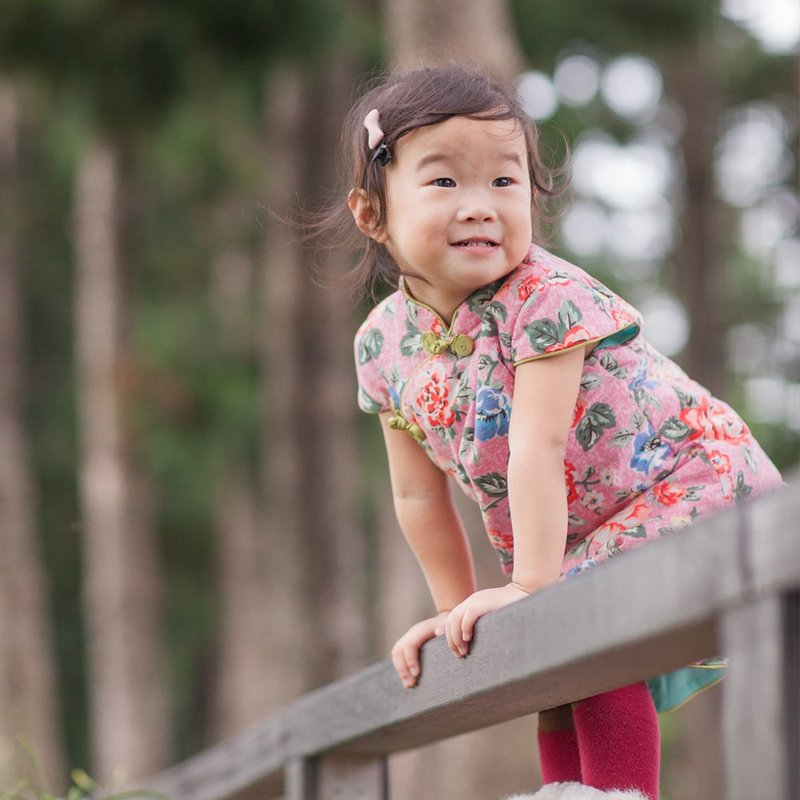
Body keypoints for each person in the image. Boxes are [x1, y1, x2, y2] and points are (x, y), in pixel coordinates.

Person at [328, 65, 782, 799]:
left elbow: (535, 445)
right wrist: (454, 613)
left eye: (504, 181)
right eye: (444, 181)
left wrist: (530, 586)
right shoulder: (382, 345)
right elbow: (417, 498)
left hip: (693, 479)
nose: (480, 206)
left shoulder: (546, 298)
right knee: (552, 665)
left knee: (577, 628)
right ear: (372, 213)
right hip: (584, 532)